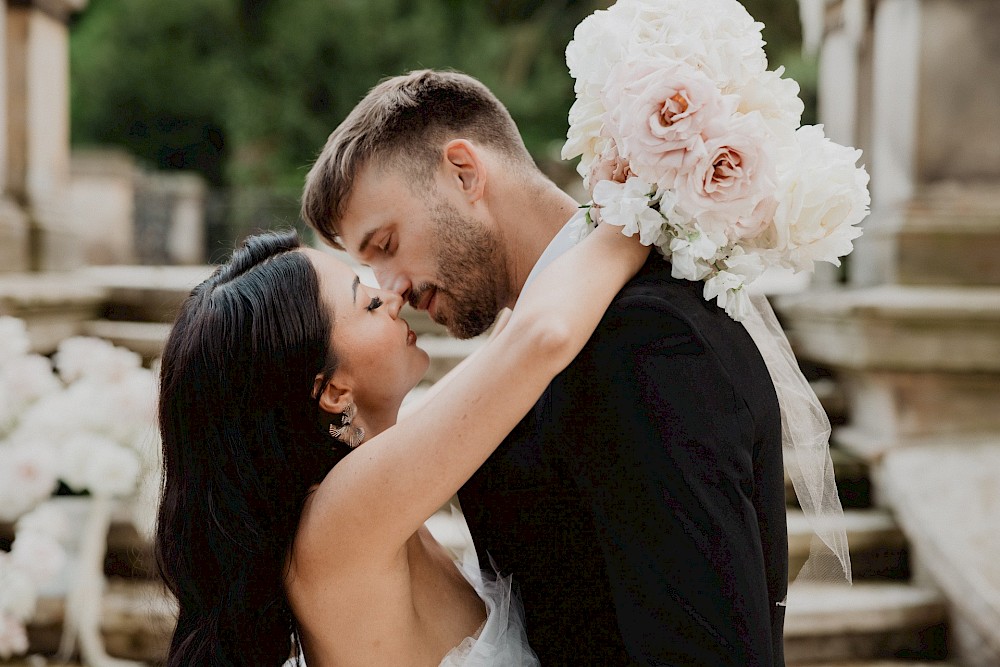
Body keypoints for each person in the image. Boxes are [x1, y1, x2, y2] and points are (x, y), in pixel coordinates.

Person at [301, 69, 789, 665]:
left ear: (464, 172)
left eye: (385, 244)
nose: (392, 289)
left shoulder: (641, 337)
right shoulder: (528, 351)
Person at [154, 222, 647, 665]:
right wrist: (653, 206)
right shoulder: (341, 518)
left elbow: (506, 342)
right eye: (367, 302)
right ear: (332, 390)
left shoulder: (364, 492)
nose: (391, 296)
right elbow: (541, 337)